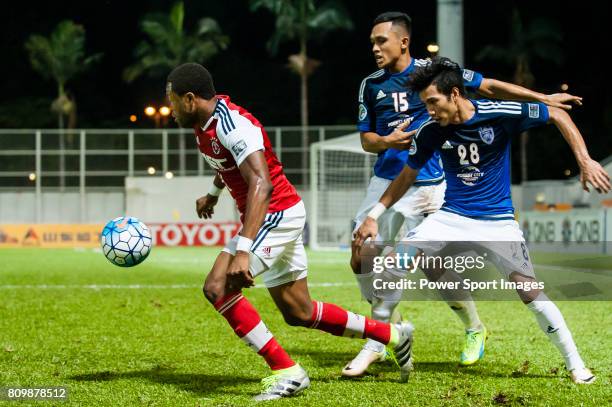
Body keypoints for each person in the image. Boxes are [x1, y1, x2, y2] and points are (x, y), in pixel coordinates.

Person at [346, 10, 585, 376]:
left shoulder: (454, 83)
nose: (375, 48)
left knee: (455, 272)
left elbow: (490, 87)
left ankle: (483, 331)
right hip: (405, 189)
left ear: (403, 40)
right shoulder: (383, 92)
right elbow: (374, 146)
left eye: (381, 40)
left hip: (457, 200)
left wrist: (546, 104)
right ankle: (379, 338)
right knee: (371, 258)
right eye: (372, 42)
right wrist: (385, 146)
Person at [165, 63, 415, 401]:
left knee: (217, 287)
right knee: (300, 312)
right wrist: (213, 194)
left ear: (191, 99)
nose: (171, 109)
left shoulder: (232, 124)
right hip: (278, 214)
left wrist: (243, 249)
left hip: (275, 214)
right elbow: (227, 165)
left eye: (173, 101)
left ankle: (287, 371)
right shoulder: (205, 125)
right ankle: (392, 334)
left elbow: (260, 183)